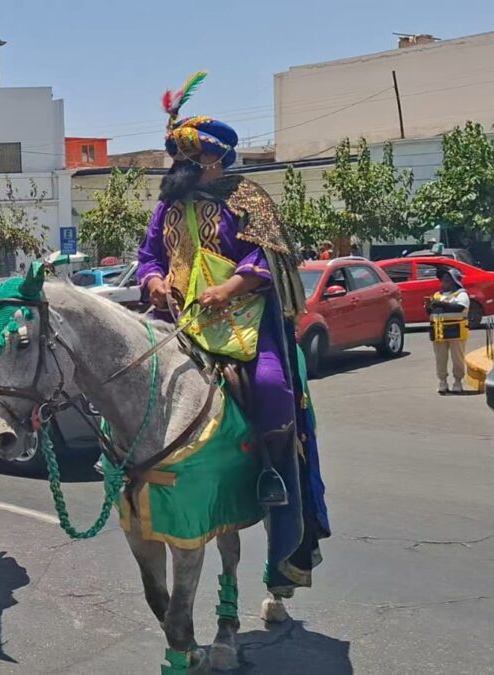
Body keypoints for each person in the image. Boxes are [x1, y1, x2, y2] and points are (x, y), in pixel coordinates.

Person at [137, 72, 328, 595]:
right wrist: (153, 281)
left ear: (216, 161)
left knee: (269, 387)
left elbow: (271, 258)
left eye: (190, 160)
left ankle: (273, 475)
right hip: (177, 316)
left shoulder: (248, 197)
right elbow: (149, 255)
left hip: (241, 319)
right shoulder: (168, 206)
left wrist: (228, 289)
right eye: (177, 159)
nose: (180, 168)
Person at [428, 267, 470, 394]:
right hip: (438, 331)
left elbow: (459, 308)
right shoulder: (437, 295)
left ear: (455, 281)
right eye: (442, 279)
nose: (444, 282)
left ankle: (458, 382)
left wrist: (442, 304)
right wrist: (429, 306)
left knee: (457, 358)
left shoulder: (461, 294)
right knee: (440, 358)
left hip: (456, 331)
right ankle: (442, 381)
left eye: (447, 279)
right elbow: (430, 311)